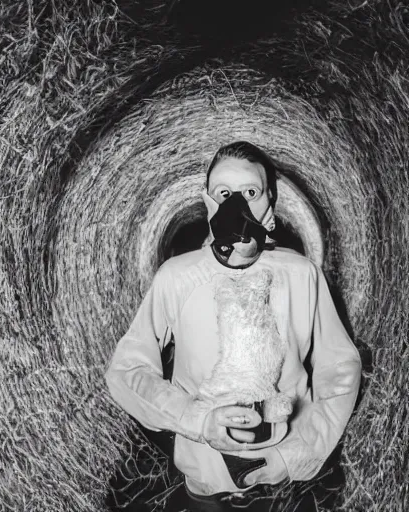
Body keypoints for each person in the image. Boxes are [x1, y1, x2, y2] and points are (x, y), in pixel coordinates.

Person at [104, 141, 362, 511]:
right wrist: (196, 421)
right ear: (207, 201)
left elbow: (339, 368)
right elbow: (128, 370)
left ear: (269, 201)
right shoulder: (176, 278)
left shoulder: (301, 275)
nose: (236, 204)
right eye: (224, 193)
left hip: (280, 478)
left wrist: (296, 453)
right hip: (204, 474)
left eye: (250, 192)